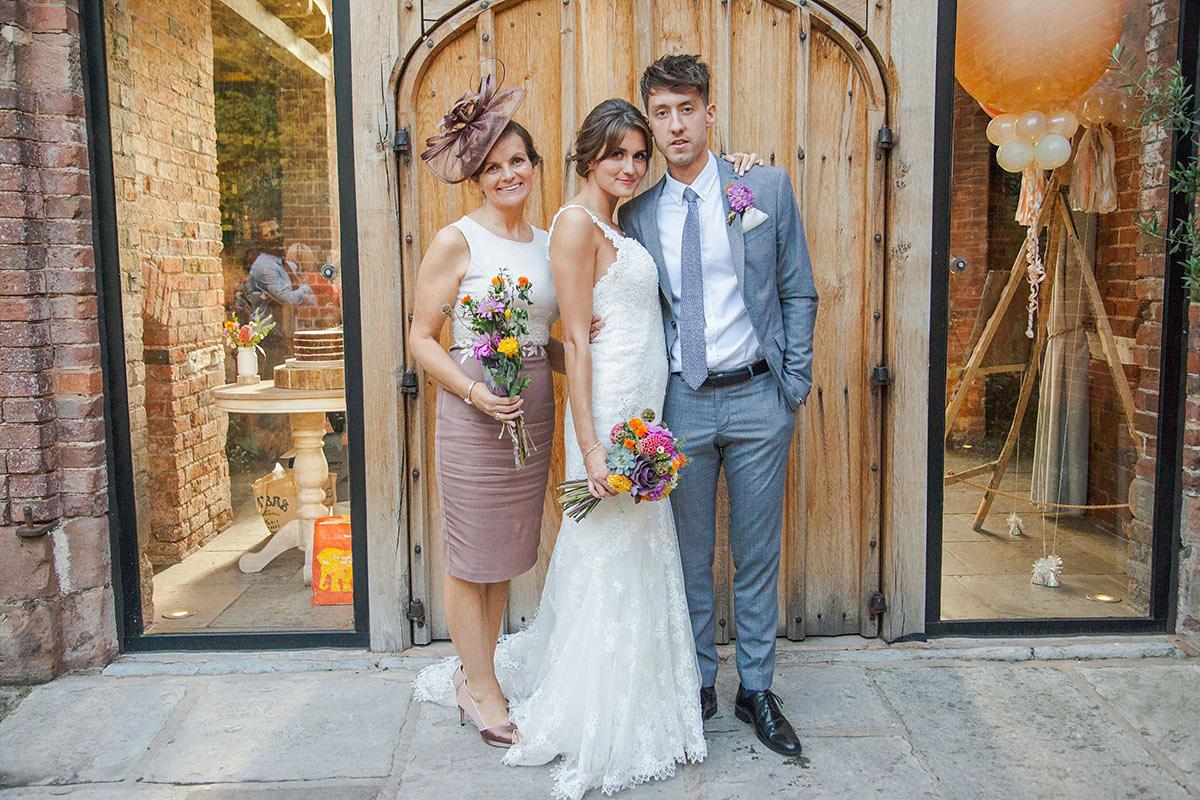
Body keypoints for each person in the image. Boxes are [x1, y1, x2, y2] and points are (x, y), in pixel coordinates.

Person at [618, 54, 819, 758]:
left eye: (686, 108)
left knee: (757, 556)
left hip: (761, 397)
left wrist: (793, 383)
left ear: (709, 111)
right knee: (690, 555)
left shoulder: (762, 186)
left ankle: (755, 687)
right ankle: (698, 681)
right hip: (682, 405)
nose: (675, 125)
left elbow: (798, 290)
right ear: (651, 119)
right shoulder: (637, 214)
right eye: (662, 112)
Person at [408, 73, 561, 748]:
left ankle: (482, 671)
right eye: (494, 167)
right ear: (478, 177)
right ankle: (481, 690)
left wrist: (591, 355)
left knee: (504, 554)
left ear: (533, 166)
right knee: (470, 555)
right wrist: (472, 391)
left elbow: (543, 336)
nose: (508, 175)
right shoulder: (457, 240)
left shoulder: (547, 241)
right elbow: (419, 339)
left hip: (530, 408)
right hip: (474, 411)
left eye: (518, 162)